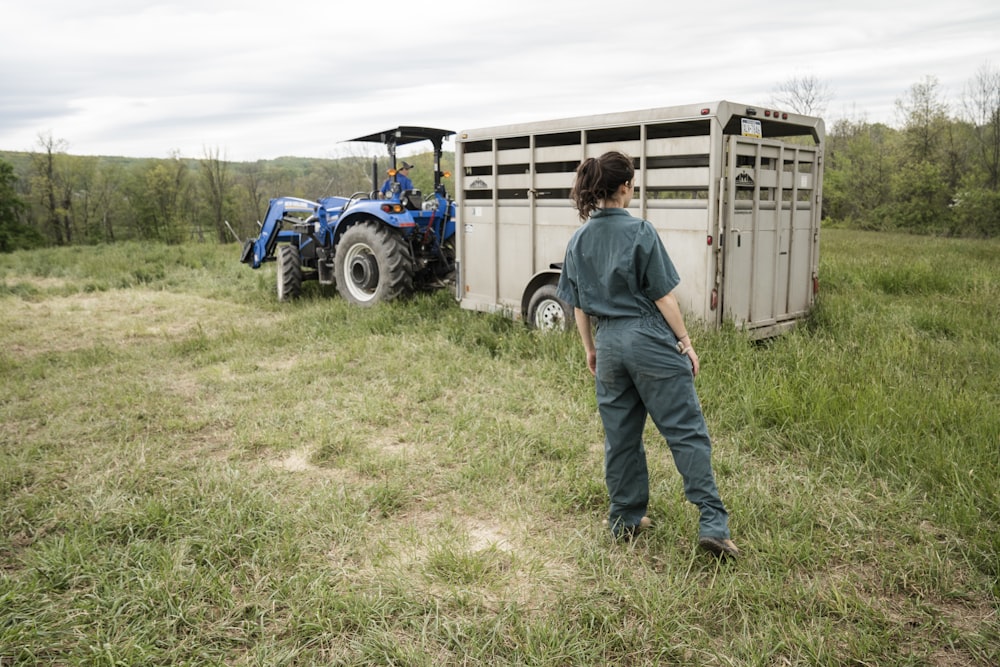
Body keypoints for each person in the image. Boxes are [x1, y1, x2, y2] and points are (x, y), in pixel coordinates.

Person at [556, 150, 739, 558]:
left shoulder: (578, 239)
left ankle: (625, 518)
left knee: (620, 437)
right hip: (648, 338)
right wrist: (686, 343)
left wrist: (591, 349)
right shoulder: (641, 231)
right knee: (684, 430)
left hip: (608, 345)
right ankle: (712, 523)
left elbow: (579, 305)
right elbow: (664, 297)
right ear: (625, 187)